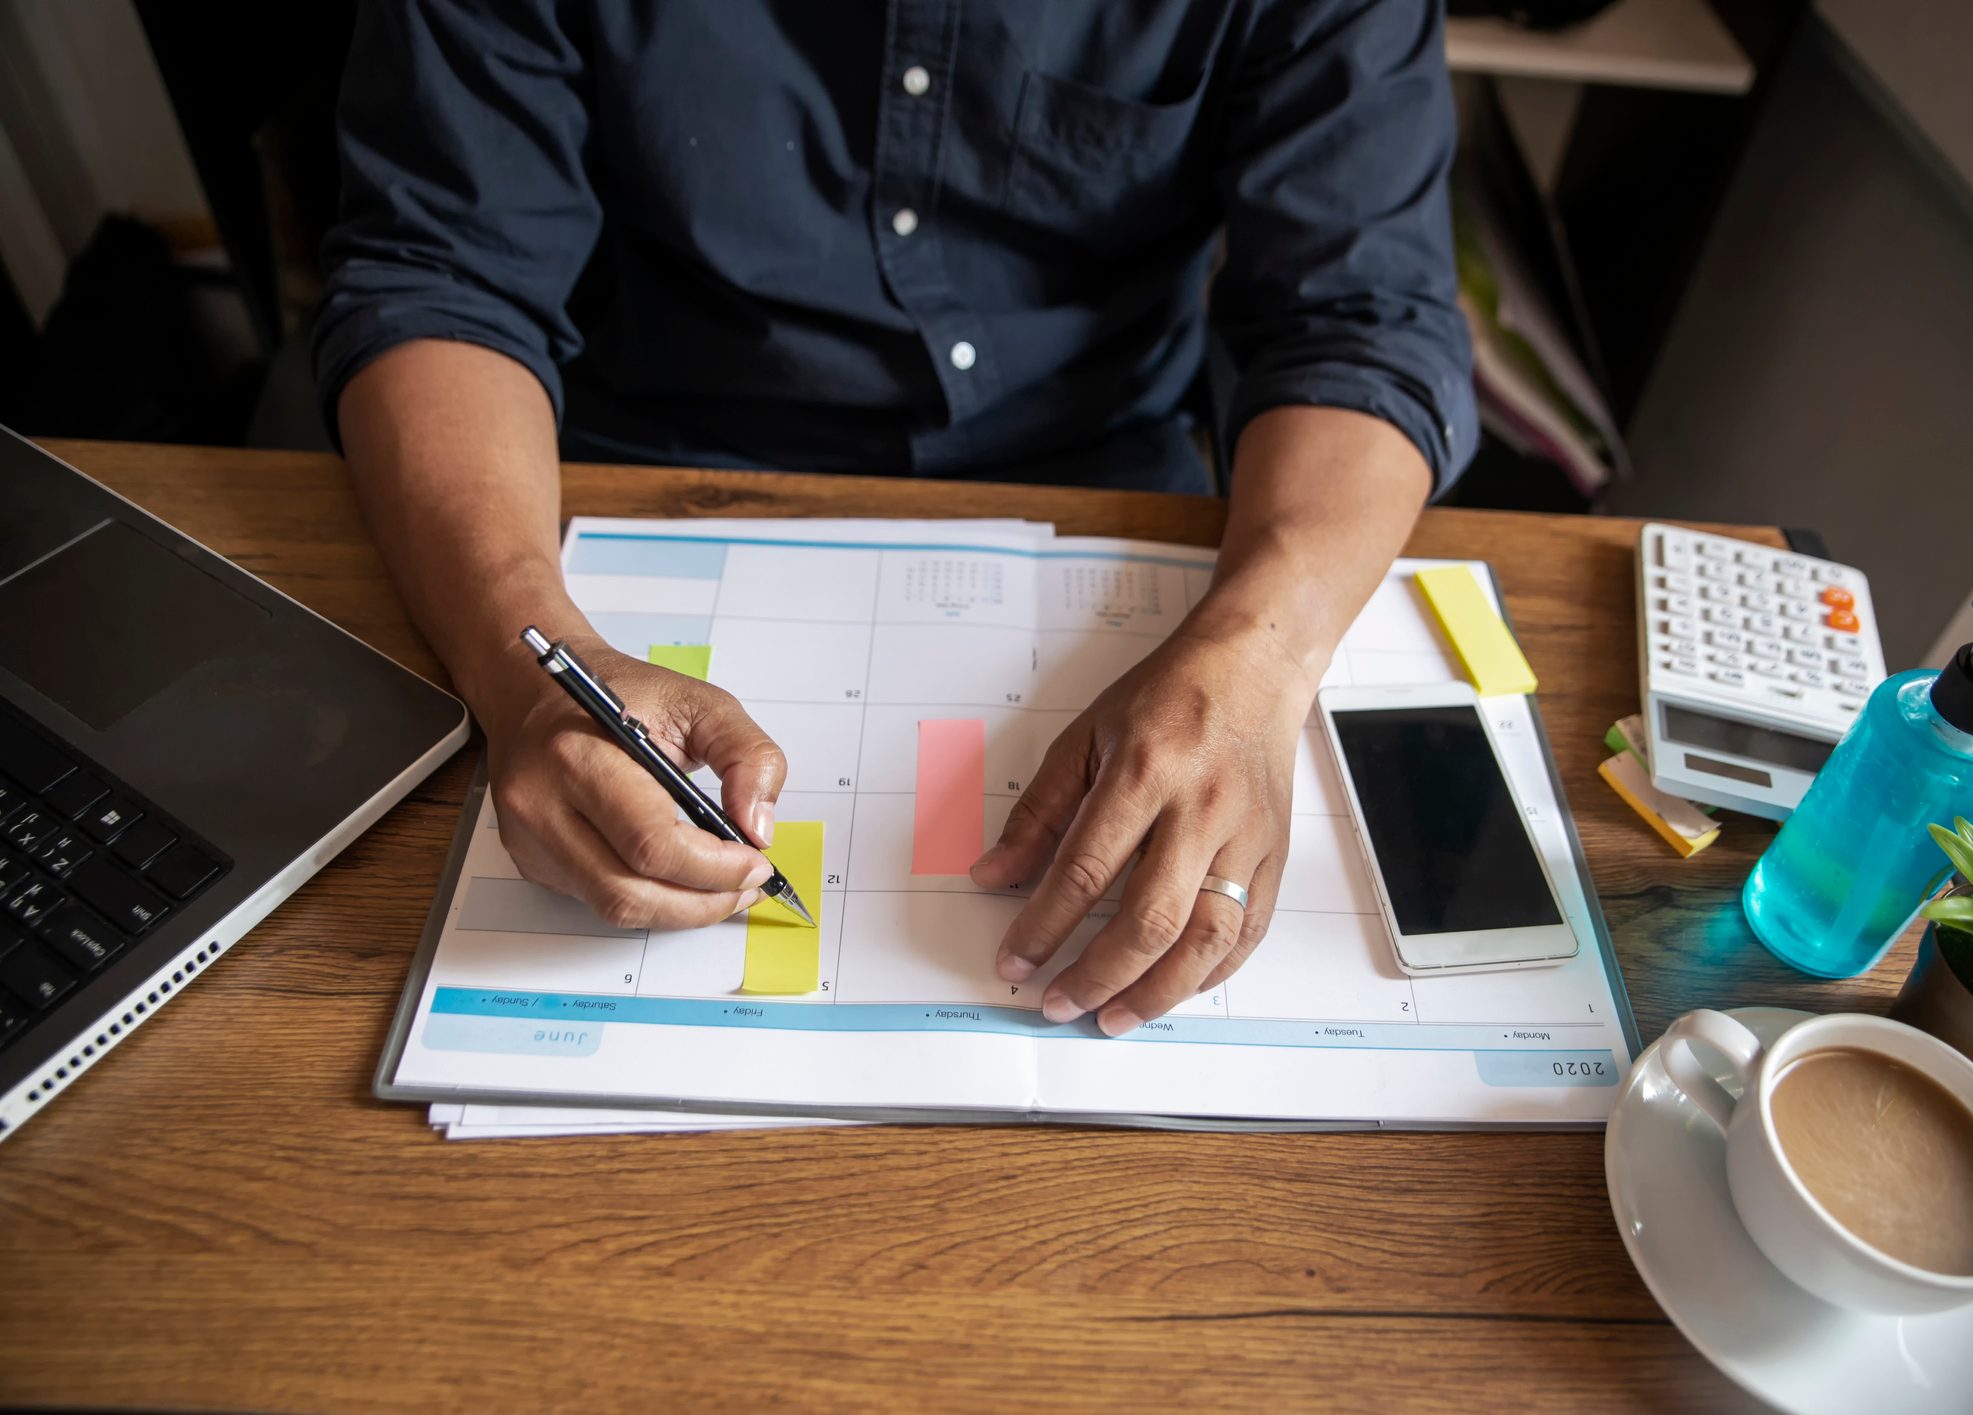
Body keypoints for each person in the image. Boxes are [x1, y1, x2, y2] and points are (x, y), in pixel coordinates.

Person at [316, 0, 1476, 1036]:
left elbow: (1363, 321)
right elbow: (440, 274)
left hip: (1106, 473)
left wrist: (1261, 655)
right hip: (638, 466)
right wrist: (521, 656)